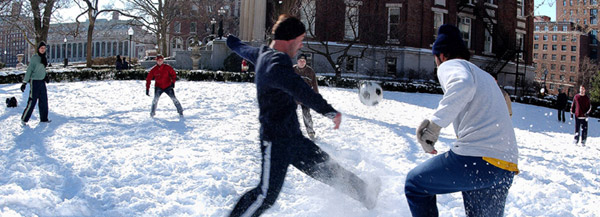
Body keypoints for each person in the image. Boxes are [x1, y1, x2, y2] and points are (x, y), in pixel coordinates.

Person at [225, 15, 380, 217]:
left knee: (331, 171)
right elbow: (301, 90)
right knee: (265, 195)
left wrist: (231, 40)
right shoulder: (276, 64)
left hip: (294, 139)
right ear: (288, 40)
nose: (301, 46)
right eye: (300, 41)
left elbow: (242, 48)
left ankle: (366, 194)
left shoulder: (262, 54)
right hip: (276, 142)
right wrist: (329, 111)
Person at [406, 24, 519, 217]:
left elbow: (462, 84)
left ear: (441, 55)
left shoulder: (450, 65)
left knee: (415, 184)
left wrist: (434, 126)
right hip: (505, 166)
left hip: (478, 159)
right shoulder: (483, 75)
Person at [20, 41, 51, 125]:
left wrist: (46, 76)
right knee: (32, 101)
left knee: (44, 100)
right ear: (38, 49)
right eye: (41, 48)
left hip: (42, 82)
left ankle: (44, 118)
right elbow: (29, 70)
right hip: (35, 82)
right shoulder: (34, 58)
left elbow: (42, 69)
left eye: (44, 48)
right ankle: (24, 119)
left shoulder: (44, 57)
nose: (43, 49)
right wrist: (24, 82)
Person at [294, 53, 319, 139]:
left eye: (304, 61)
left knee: (306, 113)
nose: (302, 62)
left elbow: (315, 85)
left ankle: (310, 132)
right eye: (300, 61)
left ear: (306, 62)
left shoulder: (310, 71)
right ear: (297, 61)